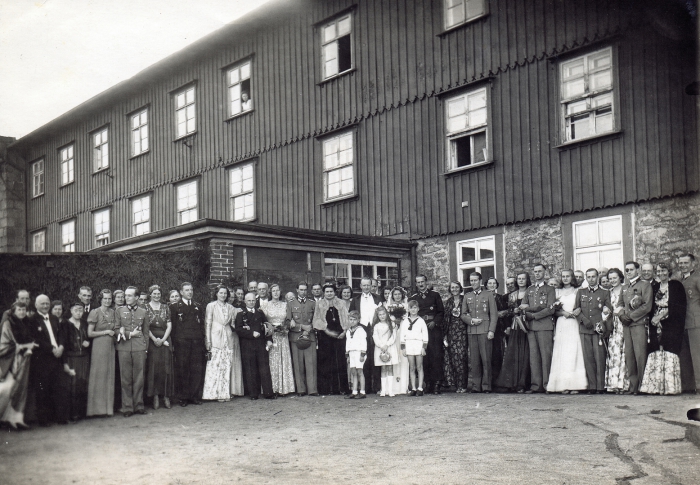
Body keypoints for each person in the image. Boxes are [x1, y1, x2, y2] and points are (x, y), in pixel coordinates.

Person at [640, 262, 687, 395]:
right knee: (656, 352)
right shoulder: (654, 287)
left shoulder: (676, 286)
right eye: (659, 271)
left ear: (669, 271)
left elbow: (678, 306)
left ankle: (669, 388)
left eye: (663, 270)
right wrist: (654, 320)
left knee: (669, 352)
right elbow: (650, 305)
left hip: (672, 324)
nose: (661, 273)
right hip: (655, 324)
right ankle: (656, 387)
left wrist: (662, 317)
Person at [29, 294, 70, 426]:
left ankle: (60, 417)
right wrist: (52, 349)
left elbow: (61, 335)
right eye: (42, 304)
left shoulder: (54, 318)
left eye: (47, 303)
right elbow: (35, 339)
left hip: (57, 358)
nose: (45, 306)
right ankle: (44, 419)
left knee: (59, 388)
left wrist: (62, 347)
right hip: (42, 359)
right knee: (43, 390)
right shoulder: (32, 320)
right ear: (36, 305)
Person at [546, 270, 588, 394]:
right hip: (562, 323)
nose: (565, 279)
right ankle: (562, 385)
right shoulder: (556, 292)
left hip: (574, 323)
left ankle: (575, 385)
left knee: (574, 351)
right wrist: (562, 312)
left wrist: (577, 311)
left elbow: (582, 306)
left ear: (572, 278)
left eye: (568, 276)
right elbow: (553, 310)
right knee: (562, 352)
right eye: (563, 277)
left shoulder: (578, 291)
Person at [616, 261, 653, 394]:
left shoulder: (645, 285)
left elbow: (647, 306)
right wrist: (621, 316)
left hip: (638, 324)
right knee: (629, 356)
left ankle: (642, 386)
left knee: (640, 355)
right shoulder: (624, 287)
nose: (628, 272)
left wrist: (630, 316)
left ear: (638, 270)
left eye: (631, 269)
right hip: (626, 325)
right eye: (626, 270)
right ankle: (633, 386)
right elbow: (619, 304)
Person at [574, 269, 612, 394]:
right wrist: (584, 320)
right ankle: (592, 385)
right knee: (588, 358)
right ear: (586, 278)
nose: (591, 279)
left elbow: (608, 310)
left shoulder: (605, 292)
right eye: (588, 277)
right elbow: (576, 309)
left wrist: (601, 325)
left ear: (597, 277)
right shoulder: (581, 292)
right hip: (585, 329)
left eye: (593, 277)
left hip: (598, 329)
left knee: (599, 357)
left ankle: (600, 386)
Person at [0, 302, 37, 429]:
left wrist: (29, 347)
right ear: (14, 311)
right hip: (12, 361)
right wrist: (25, 346)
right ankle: (6, 418)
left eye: (23, 310)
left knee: (22, 388)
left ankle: (16, 419)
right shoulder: (8, 323)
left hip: (25, 359)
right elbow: (5, 345)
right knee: (10, 388)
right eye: (19, 310)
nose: (22, 312)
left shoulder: (26, 322)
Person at [202, 285, 242, 401]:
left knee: (226, 365)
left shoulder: (230, 307)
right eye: (221, 293)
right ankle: (212, 394)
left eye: (225, 293)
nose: (223, 295)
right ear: (216, 294)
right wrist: (208, 340)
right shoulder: (211, 306)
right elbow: (208, 323)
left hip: (228, 337)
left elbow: (233, 323)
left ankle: (224, 393)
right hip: (215, 337)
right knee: (214, 365)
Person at [521, 264, 556, 394]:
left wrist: (534, 315)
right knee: (534, 357)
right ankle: (536, 385)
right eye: (535, 271)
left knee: (546, 356)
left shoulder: (550, 289)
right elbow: (523, 306)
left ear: (545, 272)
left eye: (540, 271)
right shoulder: (529, 289)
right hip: (531, 327)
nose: (537, 274)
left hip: (544, 326)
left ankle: (547, 385)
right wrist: (533, 309)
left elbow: (551, 308)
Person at [115, 287, 149, 417]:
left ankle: (139, 405)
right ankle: (127, 407)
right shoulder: (119, 311)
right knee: (125, 378)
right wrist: (129, 334)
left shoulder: (143, 312)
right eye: (126, 295)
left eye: (130, 296)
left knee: (139, 378)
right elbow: (116, 329)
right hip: (123, 348)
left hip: (139, 348)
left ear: (136, 297)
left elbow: (145, 332)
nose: (126, 298)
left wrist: (146, 349)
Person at [461, 272, 498, 393]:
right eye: (471, 281)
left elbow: (493, 314)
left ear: (481, 281)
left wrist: (491, 330)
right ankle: (476, 386)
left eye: (475, 280)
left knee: (486, 359)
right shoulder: (467, 296)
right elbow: (463, 314)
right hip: (472, 331)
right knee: (475, 360)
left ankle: (486, 386)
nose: (473, 283)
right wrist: (471, 320)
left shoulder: (488, 294)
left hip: (485, 330)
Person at [495, 272, 531, 393]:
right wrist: (513, 311)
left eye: (523, 279)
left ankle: (524, 383)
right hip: (516, 325)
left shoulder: (530, 291)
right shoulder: (512, 295)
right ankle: (513, 383)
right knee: (514, 354)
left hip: (527, 325)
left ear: (527, 280)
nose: (521, 281)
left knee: (526, 354)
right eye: (519, 279)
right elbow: (508, 311)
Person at [171, 282, 206, 406]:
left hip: (196, 342)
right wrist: (174, 343)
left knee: (196, 369)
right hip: (182, 342)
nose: (189, 292)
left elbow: (201, 325)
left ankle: (194, 396)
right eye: (187, 290)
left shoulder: (198, 307)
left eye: (191, 290)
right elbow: (174, 327)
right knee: (182, 369)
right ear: (181, 292)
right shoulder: (175, 307)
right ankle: (183, 397)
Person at [409, 275, 445, 395]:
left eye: (422, 282)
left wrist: (435, 322)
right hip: (420, 330)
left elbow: (441, 312)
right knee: (425, 356)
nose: (420, 284)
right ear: (416, 284)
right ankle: (428, 383)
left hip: (433, 328)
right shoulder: (414, 297)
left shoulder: (435, 295)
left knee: (436, 355)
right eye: (418, 282)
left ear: (426, 282)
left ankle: (437, 384)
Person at [235, 293, 274, 400]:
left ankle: (268, 392)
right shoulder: (241, 314)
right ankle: (253, 394)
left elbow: (267, 327)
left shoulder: (260, 313)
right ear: (245, 301)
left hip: (261, 344)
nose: (252, 302)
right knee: (250, 369)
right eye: (249, 301)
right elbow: (238, 329)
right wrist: (251, 333)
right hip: (248, 345)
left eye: (253, 300)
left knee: (264, 368)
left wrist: (269, 340)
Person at [313, 283, 350, 396]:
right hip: (326, 336)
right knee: (326, 362)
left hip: (340, 336)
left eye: (331, 291)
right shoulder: (319, 304)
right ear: (324, 293)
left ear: (335, 292)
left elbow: (346, 318)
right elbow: (317, 320)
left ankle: (341, 388)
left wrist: (344, 332)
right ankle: (326, 389)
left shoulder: (341, 303)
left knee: (340, 361)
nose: (329, 294)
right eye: (327, 292)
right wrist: (328, 331)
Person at [86, 289, 117, 417]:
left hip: (111, 347)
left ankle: (107, 409)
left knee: (109, 375)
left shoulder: (113, 312)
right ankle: (95, 410)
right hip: (99, 347)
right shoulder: (95, 312)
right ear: (101, 299)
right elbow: (90, 333)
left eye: (110, 298)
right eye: (105, 298)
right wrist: (105, 332)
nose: (108, 301)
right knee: (98, 375)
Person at [349, 277, 381, 395]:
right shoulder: (355, 300)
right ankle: (365, 387)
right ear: (361, 286)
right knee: (363, 358)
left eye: (369, 285)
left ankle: (377, 386)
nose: (367, 287)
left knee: (375, 357)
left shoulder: (377, 298)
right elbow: (351, 315)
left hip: (375, 329)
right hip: (361, 329)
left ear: (371, 285)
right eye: (364, 285)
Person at [262, 284, 295, 396]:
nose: (276, 293)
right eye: (273, 291)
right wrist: (271, 328)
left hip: (283, 335)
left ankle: (284, 388)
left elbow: (289, 319)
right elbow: (263, 321)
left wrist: (285, 327)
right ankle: (274, 388)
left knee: (284, 359)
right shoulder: (266, 305)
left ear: (281, 292)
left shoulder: (285, 305)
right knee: (273, 361)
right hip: (272, 335)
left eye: (278, 291)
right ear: (270, 293)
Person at [144, 285, 174, 409]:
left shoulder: (166, 307)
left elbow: (169, 325)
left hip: (165, 339)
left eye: (158, 294)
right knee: (154, 368)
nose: (156, 296)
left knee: (166, 367)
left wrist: (163, 339)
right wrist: (154, 339)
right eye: (154, 293)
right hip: (152, 340)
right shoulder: (144, 307)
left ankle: (166, 396)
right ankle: (155, 396)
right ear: (150, 294)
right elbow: (145, 326)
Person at [60, 302, 90, 421]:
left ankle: (82, 412)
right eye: (76, 310)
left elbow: (88, 337)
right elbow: (62, 341)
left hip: (84, 357)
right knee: (72, 384)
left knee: (83, 383)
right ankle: (72, 413)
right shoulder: (65, 324)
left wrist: (87, 342)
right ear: (71, 311)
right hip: (71, 358)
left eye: (80, 310)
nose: (78, 312)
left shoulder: (84, 323)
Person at [286, 282, 318, 396]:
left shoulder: (312, 303)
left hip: (310, 336)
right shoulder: (290, 304)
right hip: (296, 337)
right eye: (301, 289)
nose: (303, 292)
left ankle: (312, 389)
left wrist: (308, 329)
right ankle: (301, 389)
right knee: (298, 364)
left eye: (305, 290)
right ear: (297, 290)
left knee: (311, 364)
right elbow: (287, 321)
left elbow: (317, 319)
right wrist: (300, 327)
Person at [605, 268, 630, 393]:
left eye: (615, 278)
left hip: (625, 323)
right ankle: (614, 384)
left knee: (626, 353)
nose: (612, 280)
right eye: (610, 279)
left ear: (620, 277)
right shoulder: (607, 292)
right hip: (613, 326)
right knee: (614, 353)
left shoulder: (626, 289)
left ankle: (624, 384)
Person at [679, 253, 700, 394]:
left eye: (686, 263)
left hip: (695, 322)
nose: (683, 265)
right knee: (685, 356)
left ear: (693, 264)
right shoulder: (680, 280)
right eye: (680, 263)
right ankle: (688, 386)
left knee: (697, 355)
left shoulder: (697, 278)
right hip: (683, 324)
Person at [443, 281, 467, 393]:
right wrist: (445, 335)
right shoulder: (449, 302)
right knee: (454, 359)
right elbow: (445, 318)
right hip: (451, 332)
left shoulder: (465, 299)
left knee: (462, 357)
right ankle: (458, 385)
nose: (454, 289)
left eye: (456, 287)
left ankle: (464, 385)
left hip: (463, 331)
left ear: (460, 288)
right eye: (452, 287)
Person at [401, 300, 429, 396]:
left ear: (418, 309)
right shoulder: (405, 321)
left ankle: (420, 388)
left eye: (415, 308)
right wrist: (403, 348)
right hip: (409, 344)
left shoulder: (421, 321)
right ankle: (413, 388)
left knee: (419, 367)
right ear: (408, 309)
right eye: (411, 308)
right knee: (412, 367)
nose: (413, 310)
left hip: (418, 344)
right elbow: (402, 335)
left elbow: (425, 335)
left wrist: (423, 347)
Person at [385, 287, 409, 395]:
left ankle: (403, 386)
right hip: (393, 333)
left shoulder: (406, 307)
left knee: (403, 358)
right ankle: (393, 387)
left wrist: (401, 322)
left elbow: (408, 320)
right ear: (392, 296)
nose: (398, 296)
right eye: (395, 294)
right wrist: (394, 322)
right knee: (393, 356)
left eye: (399, 294)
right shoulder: (388, 307)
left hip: (403, 333)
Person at [486, 277, 508, 384]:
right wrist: (494, 315)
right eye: (489, 283)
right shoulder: (483, 297)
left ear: (496, 285)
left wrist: (502, 313)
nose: (492, 285)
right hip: (486, 327)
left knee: (497, 353)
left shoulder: (500, 297)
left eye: (494, 283)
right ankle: (487, 380)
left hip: (498, 328)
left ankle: (496, 380)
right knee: (487, 354)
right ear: (486, 285)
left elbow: (505, 310)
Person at [373, 306, 398, 397]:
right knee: (383, 368)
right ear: (377, 316)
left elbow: (393, 336)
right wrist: (381, 345)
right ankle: (383, 390)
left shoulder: (392, 324)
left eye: (383, 314)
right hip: (380, 349)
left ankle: (390, 390)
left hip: (389, 347)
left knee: (390, 368)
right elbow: (375, 337)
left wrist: (387, 344)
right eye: (380, 315)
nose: (382, 316)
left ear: (386, 314)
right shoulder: (376, 326)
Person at [345, 311, 367, 399]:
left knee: (360, 372)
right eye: (350, 319)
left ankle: (362, 391)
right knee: (353, 372)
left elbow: (364, 343)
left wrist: (362, 354)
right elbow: (348, 343)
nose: (352, 321)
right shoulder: (348, 331)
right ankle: (354, 391)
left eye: (354, 319)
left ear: (358, 320)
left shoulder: (361, 330)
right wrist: (348, 356)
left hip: (359, 353)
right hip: (352, 353)